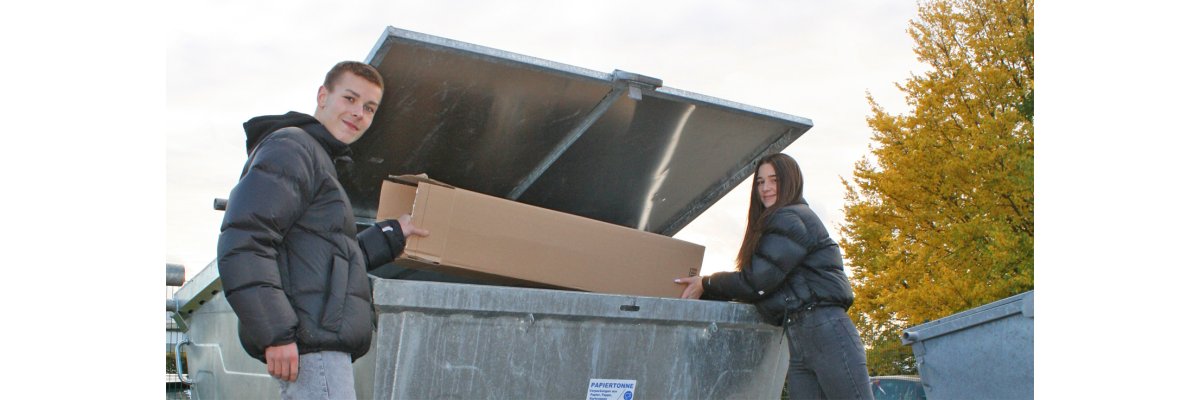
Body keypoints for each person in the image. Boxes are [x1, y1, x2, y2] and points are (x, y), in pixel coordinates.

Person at [217, 60, 429, 399]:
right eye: (349, 99)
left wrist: (391, 234)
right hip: (309, 346)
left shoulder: (318, 160)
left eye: (369, 108)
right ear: (322, 96)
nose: (359, 113)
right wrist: (276, 333)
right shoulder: (293, 148)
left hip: (318, 344)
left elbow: (330, 261)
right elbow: (245, 240)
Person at [675, 153, 873, 400]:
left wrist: (706, 283)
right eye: (760, 182)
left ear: (790, 181)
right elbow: (763, 285)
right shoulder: (784, 220)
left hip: (826, 331)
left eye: (774, 180)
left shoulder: (790, 218)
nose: (766, 188)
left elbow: (756, 282)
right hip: (801, 337)